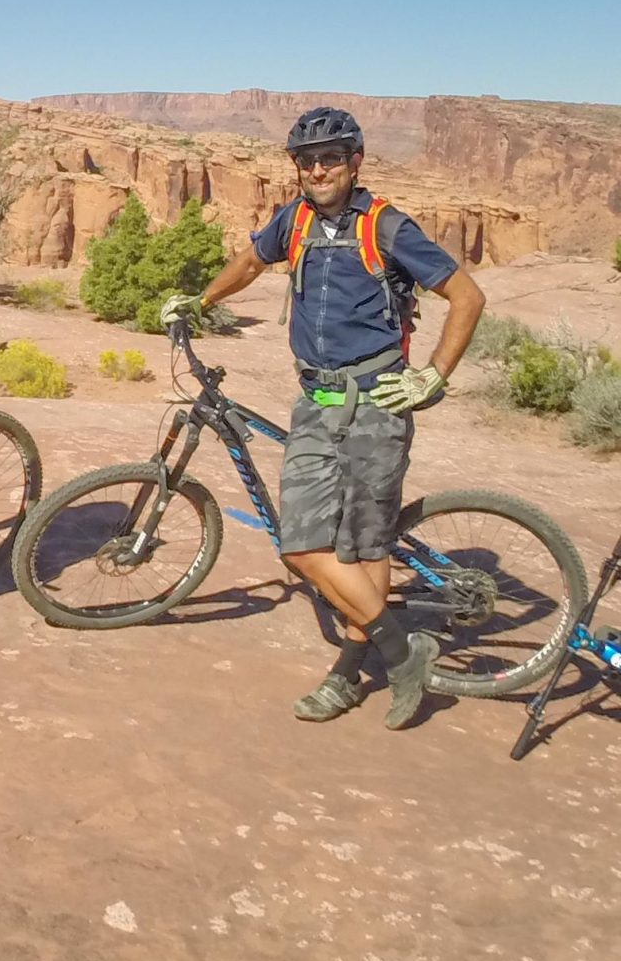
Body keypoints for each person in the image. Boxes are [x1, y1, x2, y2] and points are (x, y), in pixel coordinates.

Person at [160, 106, 483, 730]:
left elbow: (466, 295)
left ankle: (347, 675)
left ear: (355, 161)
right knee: (302, 547)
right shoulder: (296, 219)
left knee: (364, 546)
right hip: (317, 401)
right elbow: (252, 262)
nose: (317, 170)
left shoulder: (385, 225)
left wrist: (434, 375)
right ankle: (403, 650)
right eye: (307, 161)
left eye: (330, 158)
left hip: (375, 402)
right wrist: (201, 301)